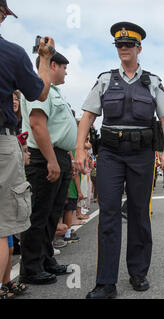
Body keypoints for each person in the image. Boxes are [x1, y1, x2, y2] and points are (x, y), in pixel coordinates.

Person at [74, 22, 164, 299]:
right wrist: (80, 149)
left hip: (142, 155)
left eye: (129, 45)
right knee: (108, 215)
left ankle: (138, 272)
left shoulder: (152, 82)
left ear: (139, 48)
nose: (124, 49)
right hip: (111, 154)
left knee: (139, 212)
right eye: (119, 45)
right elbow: (87, 116)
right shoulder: (106, 80)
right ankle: (106, 282)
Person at [0, 0, 56, 299]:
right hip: (1, 142)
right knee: (5, 221)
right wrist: (44, 58)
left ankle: (7, 283)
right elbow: (40, 91)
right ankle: (2, 285)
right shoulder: (11, 53)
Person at [19, 51, 77, 285]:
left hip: (58, 155)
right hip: (45, 157)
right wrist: (52, 159)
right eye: (64, 67)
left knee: (52, 213)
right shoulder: (38, 88)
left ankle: (45, 259)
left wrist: (64, 160)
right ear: (53, 65)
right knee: (39, 213)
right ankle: (31, 268)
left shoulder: (54, 92)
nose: (66, 72)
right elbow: (37, 125)